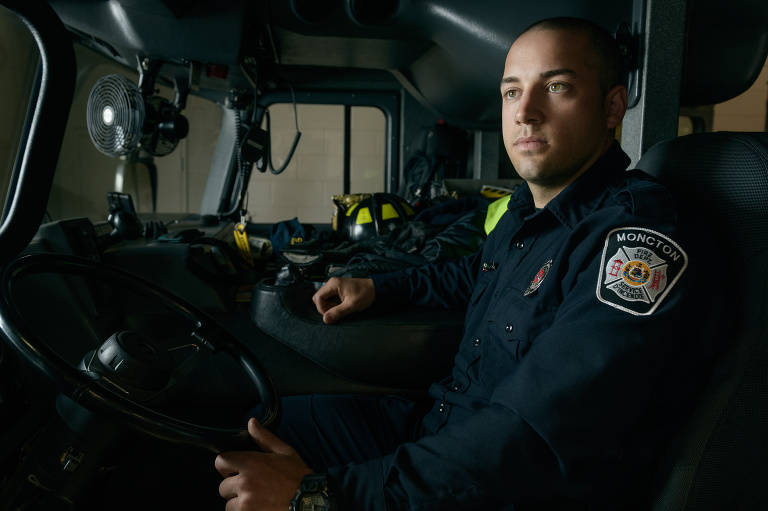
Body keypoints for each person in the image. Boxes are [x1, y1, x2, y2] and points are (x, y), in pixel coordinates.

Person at [215, 17, 724, 510]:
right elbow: (474, 273)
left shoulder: (638, 238)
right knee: (268, 426)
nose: (525, 112)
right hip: (445, 430)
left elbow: (531, 438)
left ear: (613, 106)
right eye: (511, 92)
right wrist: (378, 286)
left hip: (520, 489)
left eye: (557, 87)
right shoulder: (529, 209)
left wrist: (323, 497)